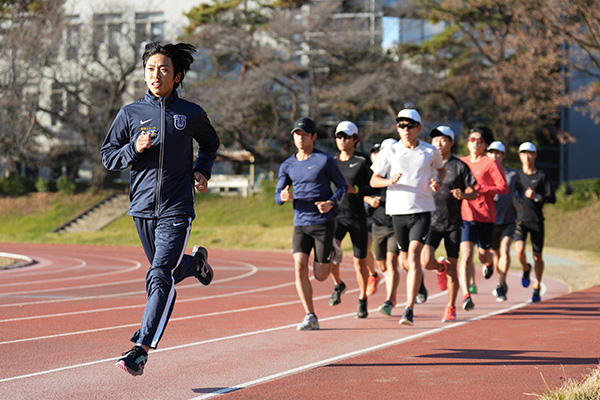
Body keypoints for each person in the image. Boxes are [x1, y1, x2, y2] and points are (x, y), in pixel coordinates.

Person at [101, 42, 220, 376]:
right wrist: (132, 148)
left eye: (163, 69)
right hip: (141, 208)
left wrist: (203, 169)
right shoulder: (129, 114)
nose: (156, 74)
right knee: (163, 270)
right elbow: (108, 155)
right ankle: (196, 264)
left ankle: (141, 349)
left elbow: (211, 143)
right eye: (151, 68)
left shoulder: (191, 113)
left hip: (177, 208)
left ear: (177, 76)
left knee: (157, 276)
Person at [370, 109, 445, 326]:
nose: (405, 130)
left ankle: (408, 308)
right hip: (397, 212)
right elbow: (374, 180)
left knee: (413, 258)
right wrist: (389, 181)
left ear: (418, 128)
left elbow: (441, 171)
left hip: (421, 211)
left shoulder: (430, 151)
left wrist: (436, 182)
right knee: (404, 261)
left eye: (409, 126)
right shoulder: (390, 151)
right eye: (401, 126)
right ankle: (420, 285)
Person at [275, 117, 348, 330]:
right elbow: (277, 196)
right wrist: (283, 196)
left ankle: (333, 253)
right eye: (297, 134)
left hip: (323, 222)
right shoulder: (287, 165)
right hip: (301, 223)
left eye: (304, 134)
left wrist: (331, 203)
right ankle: (310, 315)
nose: (300, 138)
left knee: (321, 276)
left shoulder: (324, 160)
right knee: (299, 267)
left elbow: (342, 187)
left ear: (313, 137)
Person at [421, 126, 477, 322]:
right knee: (425, 261)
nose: (438, 144)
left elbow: (474, 192)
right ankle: (439, 267)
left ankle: (451, 307)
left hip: (453, 223)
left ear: (451, 143)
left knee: (454, 269)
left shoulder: (460, 166)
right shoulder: (427, 165)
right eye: (435, 140)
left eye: (443, 140)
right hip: (431, 221)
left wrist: (464, 194)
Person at [458, 127, 508, 312]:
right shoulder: (461, 162)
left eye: (479, 141)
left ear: (486, 145)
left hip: (486, 215)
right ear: (467, 142)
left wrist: (480, 189)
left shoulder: (491, 163)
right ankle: (466, 295)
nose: (475, 143)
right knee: (467, 255)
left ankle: (488, 261)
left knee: (482, 254)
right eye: (472, 140)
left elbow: (503, 187)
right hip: (465, 215)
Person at [328, 121, 373, 318]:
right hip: (337, 216)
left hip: (357, 217)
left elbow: (373, 187)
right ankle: (339, 284)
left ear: (355, 139)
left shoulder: (363, 161)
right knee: (331, 252)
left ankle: (362, 299)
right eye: (339, 136)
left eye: (346, 137)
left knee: (359, 263)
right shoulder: (331, 162)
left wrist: (355, 190)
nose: (342, 140)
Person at [364, 138, 402, 316]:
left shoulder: (401, 172)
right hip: (378, 223)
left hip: (396, 223)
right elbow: (361, 192)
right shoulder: (374, 173)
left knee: (392, 262)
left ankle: (389, 300)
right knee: (382, 264)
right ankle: (378, 277)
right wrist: (369, 199)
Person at [514, 142, 556, 303]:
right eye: (524, 153)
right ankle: (526, 268)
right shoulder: (516, 176)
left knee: (537, 256)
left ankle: (537, 286)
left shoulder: (541, 176)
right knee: (519, 250)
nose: (527, 156)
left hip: (536, 220)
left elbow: (552, 198)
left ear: (535, 155)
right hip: (520, 220)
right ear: (520, 156)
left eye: (530, 153)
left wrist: (537, 196)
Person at [486, 141, 523, 302]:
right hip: (490, 220)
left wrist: (519, 200)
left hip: (508, 219)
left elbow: (520, 189)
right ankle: (496, 272)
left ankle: (500, 284)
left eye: (498, 153)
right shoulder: (484, 173)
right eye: (491, 152)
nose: (494, 156)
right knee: (496, 253)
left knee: (505, 249)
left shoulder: (512, 174)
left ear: (503, 156)